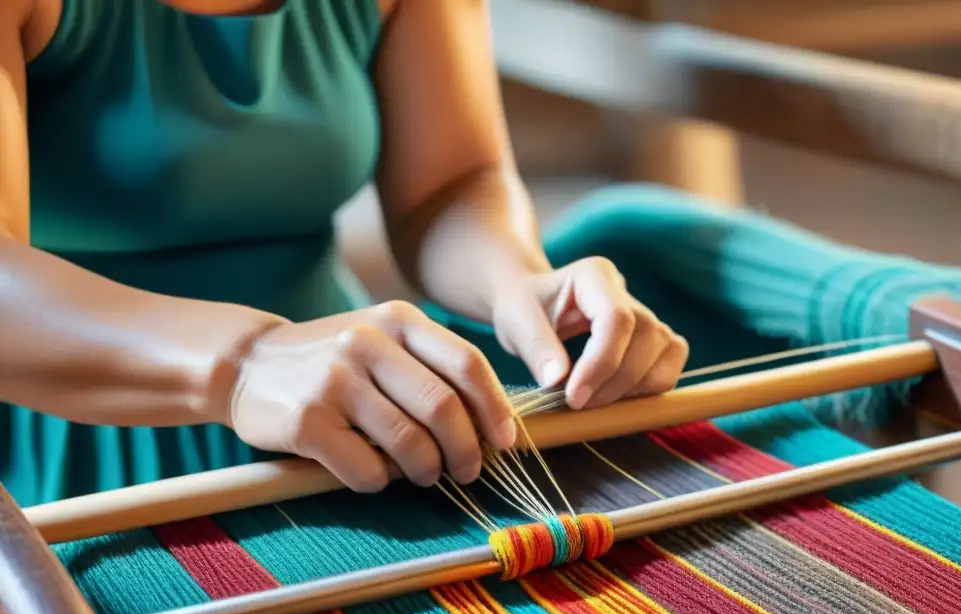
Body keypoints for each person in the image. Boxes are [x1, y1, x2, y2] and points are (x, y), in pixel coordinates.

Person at [0, 0, 688, 502]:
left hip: (354, 407)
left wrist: (517, 281)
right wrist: (245, 364)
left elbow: (448, 187)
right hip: (79, 424)